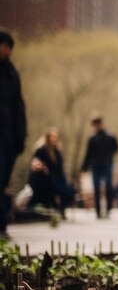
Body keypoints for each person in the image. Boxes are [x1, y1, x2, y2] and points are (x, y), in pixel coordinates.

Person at [0, 30, 27, 237]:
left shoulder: (11, 73)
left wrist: (20, 136)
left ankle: (2, 225)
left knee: (3, 182)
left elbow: (18, 106)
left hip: (8, 137)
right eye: (3, 45)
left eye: (9, 46)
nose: (6, 49)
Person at [27, 127, 77, 217]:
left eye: (55, 137)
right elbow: (35, 163)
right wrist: (41, 167)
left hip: (58, 177)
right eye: (52, 137)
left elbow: (60, 168)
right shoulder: (41, 150)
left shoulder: (57, 151)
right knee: (52, 186)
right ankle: (53, 207)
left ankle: (62, 208)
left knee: (69, 189)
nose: (53, 140)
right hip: (46, 177)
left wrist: (66, 178)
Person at [81, 113, 118, 219]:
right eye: (94, 123)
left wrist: (109, 156)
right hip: (96, 166)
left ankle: (107, 210)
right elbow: (88, 154)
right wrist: (84, 167)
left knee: (109, 188)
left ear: (101, 123)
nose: (96, 125)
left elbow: (116, 148)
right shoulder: (92, 138)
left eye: (98, 123)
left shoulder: (111, 136)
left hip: (107, 164)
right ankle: (98, 211)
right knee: (96, 188)